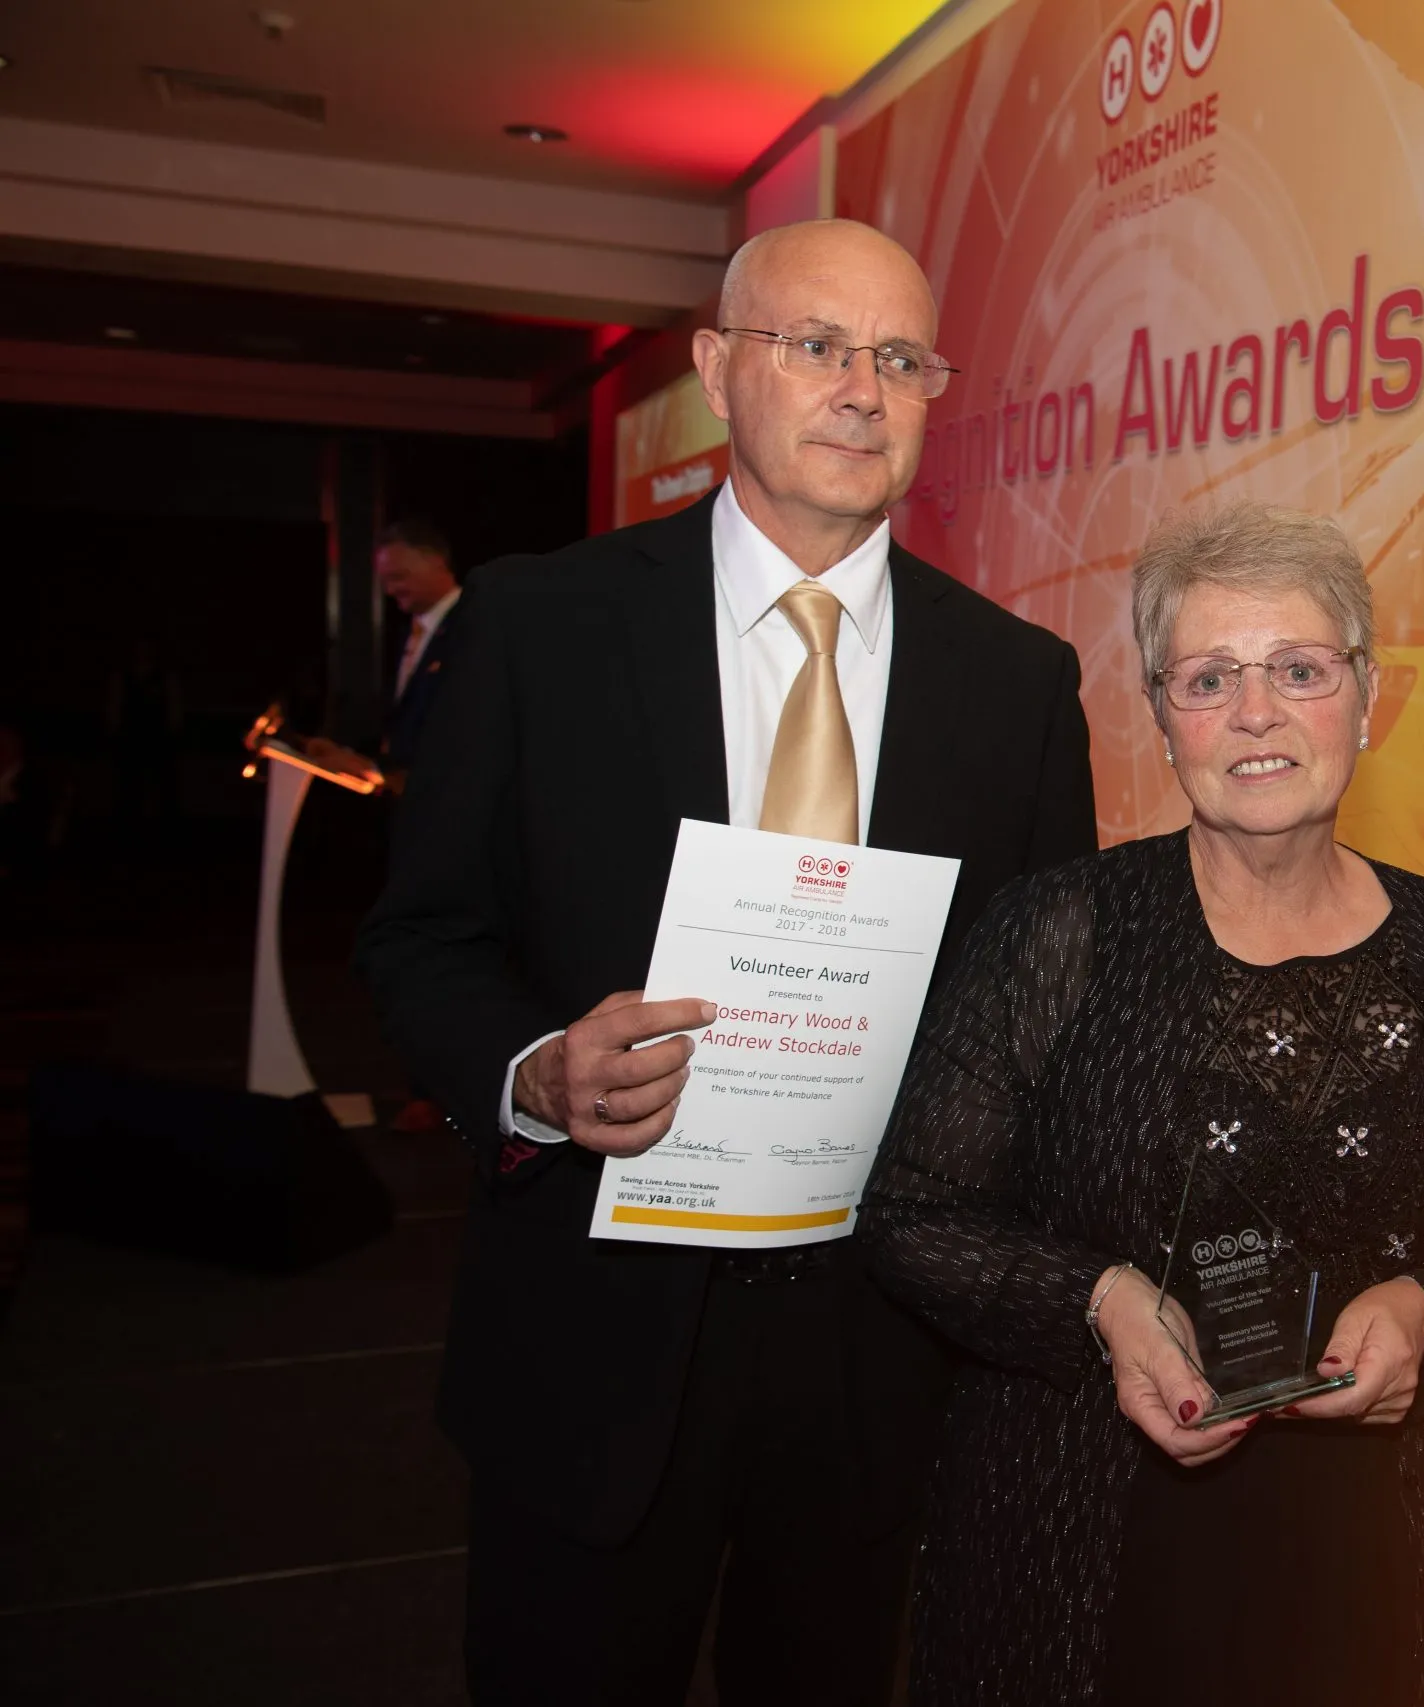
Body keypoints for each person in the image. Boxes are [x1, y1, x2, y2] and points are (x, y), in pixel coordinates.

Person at [355, 218, 1097, 1707]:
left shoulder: (1015, 680)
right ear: (714, 371)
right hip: (594, 1337)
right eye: (816, 345)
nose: (859, 389)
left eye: (899, 359)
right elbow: (420, 935)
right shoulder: (539, 624)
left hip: (881, 1350)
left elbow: (1046, 1001)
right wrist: (530, 1071)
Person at [855, 500, 1424, 1707]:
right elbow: (912, 1214)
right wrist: (1097, 1300)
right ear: (1157, 715)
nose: (1256, 714)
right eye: (1208, 679)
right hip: (1091, 1539)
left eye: (1298, 670)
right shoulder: (1056, 933)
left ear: (1364, 691)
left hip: (1395, 1547)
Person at [375, 517, 462, 780]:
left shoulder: (472, 626)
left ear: (436, 562)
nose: (390, 590)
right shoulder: (408, 633)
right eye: (385, 581)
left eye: (398, 577)